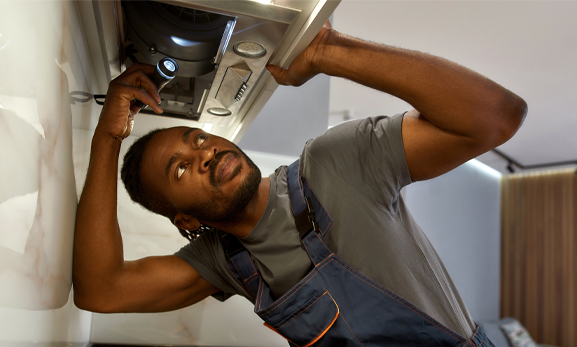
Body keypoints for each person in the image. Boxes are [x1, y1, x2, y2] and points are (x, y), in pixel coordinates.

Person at [73, 21, 526, 345]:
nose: (205, 153)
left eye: (198, 138)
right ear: (185, 219)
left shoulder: (334, 163)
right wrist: (108, 136)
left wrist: (326, 50)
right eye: (181, 169)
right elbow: (102, 291)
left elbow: (495, 118)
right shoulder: (226, 262)